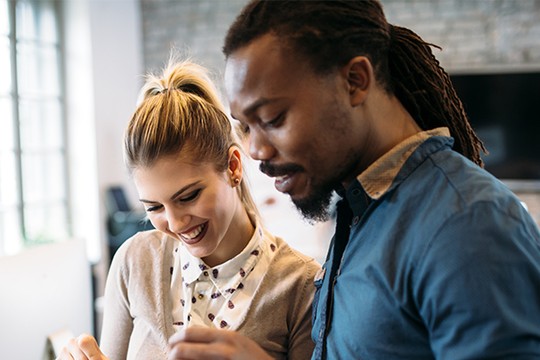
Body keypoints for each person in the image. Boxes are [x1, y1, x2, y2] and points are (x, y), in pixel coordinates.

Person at [169, 0, 540, 359]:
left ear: (355, 81)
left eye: (273, 118)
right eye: (246, 128)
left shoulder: (467, 224)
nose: (256, 150)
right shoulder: (359, 214)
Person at [57, 59, 320, 359]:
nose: (175, 222)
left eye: (188, 196)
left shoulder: (299, 286)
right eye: (154, 207)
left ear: (233, 166)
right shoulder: (134, 263)